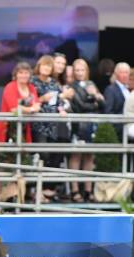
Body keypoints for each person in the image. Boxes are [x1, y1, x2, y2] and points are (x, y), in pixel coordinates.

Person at [31, 55, 67, 201]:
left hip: (53, 125)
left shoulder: (54, 83)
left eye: (49, 66)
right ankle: (36, 187)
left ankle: (47, 188)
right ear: (39, 66)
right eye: (44, 65)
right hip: (39, 125)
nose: (46, 68)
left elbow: (59, 101)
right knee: (43, 154)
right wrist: (41, 99)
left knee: (55, 155)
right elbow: (30, 101)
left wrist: (61, 108)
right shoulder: (32, 82)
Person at [69, 59, 104, 203]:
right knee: (76, 156)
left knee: (89, 157)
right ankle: (75, 190)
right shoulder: (71, 86)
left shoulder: (92, 84)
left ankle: (88, 190)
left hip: (91, 125)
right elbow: (80, 106)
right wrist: (94, 101)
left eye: (82, 70)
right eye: (77, 70)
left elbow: (103, 104)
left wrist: (96, 96)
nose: (79, 73)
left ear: (86, 71)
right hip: (78, 126)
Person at [0, 62, 40, 143]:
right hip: (7, 127)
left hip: (24, 127)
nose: (24, 75)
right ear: (16, 74)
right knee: (7, 154)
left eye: (26, 73)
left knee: (24, 153)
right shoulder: (10, 87)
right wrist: (31, 109)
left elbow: (37, 105)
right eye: (21, 73)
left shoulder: (31, 87)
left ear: (30, 75)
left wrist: (26, 109)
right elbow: (14, 109)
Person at [104, 62, 131, 137]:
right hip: (120, 128)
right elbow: (108, 112)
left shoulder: (128, 90)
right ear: (116, 74)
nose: (125, 75)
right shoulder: (111, 90)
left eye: (127, 72)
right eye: (122, 72)